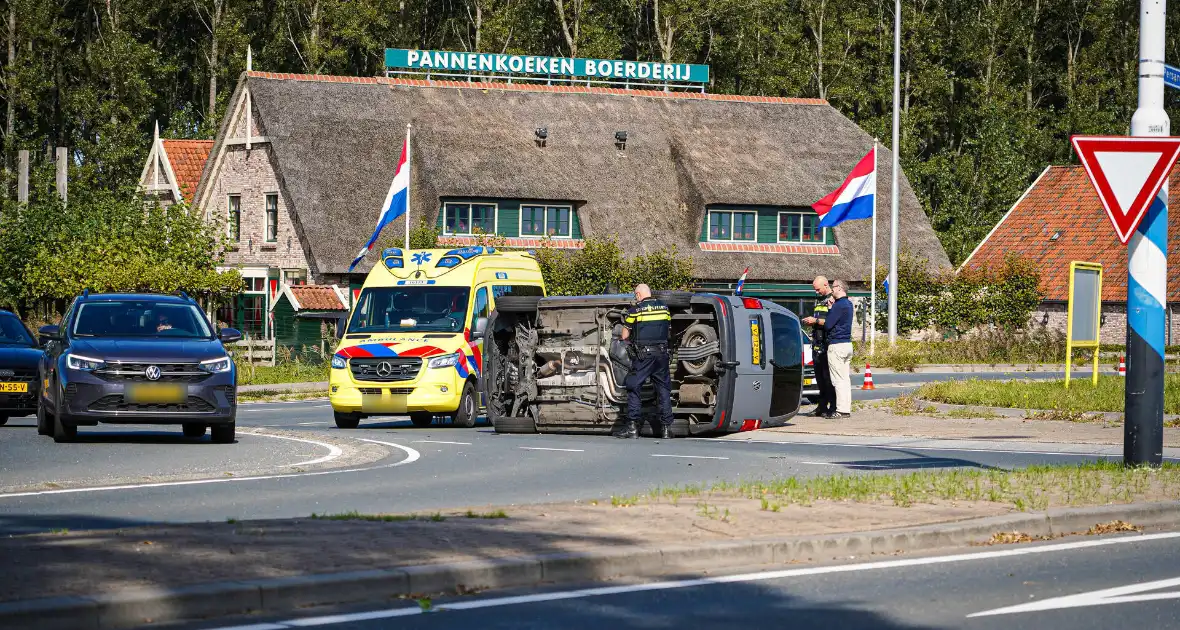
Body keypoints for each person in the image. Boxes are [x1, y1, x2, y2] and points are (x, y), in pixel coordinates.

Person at [614, 284, 674, 439]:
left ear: (639, 295)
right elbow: (668, 329)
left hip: (643, 356)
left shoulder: (636, 310)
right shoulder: (664, 308)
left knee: (633, 387)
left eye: (636, 296)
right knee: (663, 390)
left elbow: (625, 335)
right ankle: (666, 429)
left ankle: (632, 427)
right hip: (661, 355)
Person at [801, 276, 835, 417]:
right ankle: (821, 407)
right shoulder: (820, 300)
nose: (816, 292)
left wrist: (815, 320)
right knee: (820, 378)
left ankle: (833, 407)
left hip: (827, 343)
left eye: (818, 289)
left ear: (826, 285)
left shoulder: (833, 299)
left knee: (828, 378)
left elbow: (832, 321)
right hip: (817, 342)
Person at [823, 280, 854, 418]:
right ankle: (846, 408)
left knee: (838, 380)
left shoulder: (838, 305)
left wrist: (830, 309)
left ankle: (841, 410)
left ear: (840, 288)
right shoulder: (849, 304)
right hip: (847, 344)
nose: (831, 289)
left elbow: (828, 325)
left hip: (837, 345)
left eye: (833, 287)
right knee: (845, 379)